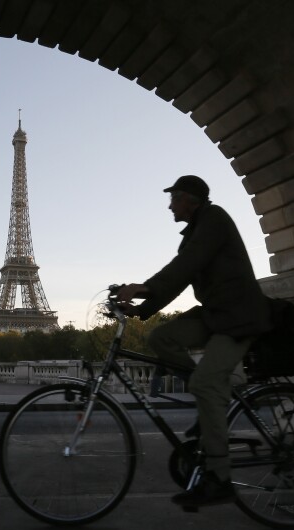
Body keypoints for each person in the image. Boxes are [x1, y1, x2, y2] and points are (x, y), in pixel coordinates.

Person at [114, 175, 272, 509]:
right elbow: (179, 278)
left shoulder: (214, 220)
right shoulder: (194, 234)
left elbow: (186, 267)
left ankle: (219, 478)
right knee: (162, 337)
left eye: (174, 198)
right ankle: (216, 391)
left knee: (204, 383)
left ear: (190, 200)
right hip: (216, 314)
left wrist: (141, 286)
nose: (169, 204)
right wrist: (142, 308)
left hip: (238, 317)